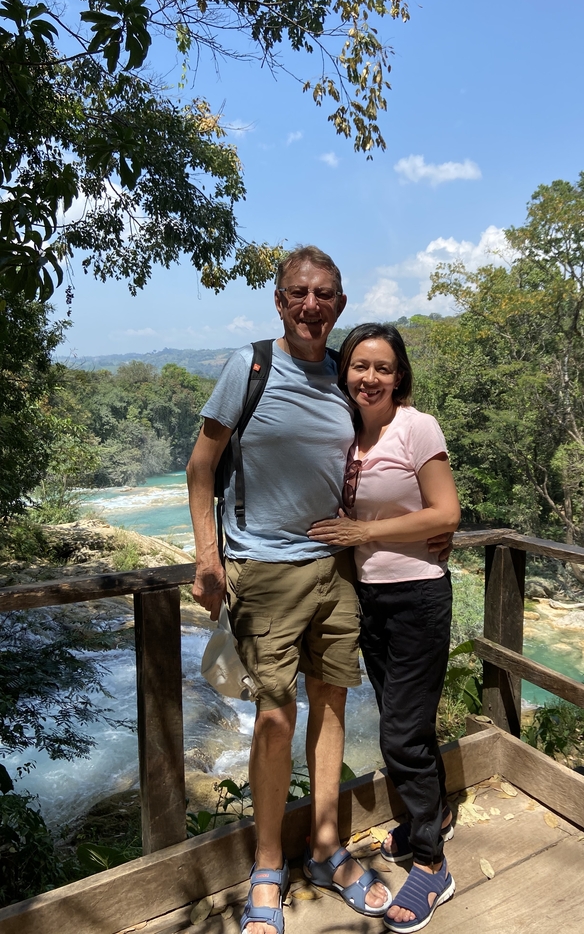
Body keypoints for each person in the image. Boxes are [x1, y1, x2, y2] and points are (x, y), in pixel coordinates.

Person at [186, 248, 393, 934]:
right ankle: (268, 867)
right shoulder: (251, 368)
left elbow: (379, 457)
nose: (312, 305)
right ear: (280, 301)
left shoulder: (345, 376)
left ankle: (329, 846)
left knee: (331, 703)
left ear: (339, 304)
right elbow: (201, 466)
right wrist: (208, 559)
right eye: (299, 293)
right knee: (275, 718)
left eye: (326, 295)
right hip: (264, 571)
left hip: (335, 568)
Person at [308, 322, 461, 933]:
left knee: (401, 732)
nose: (369, 377)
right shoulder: (347, 435)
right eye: (359, 366)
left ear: (400, 377)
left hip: (419, 595)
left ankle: (431, 862)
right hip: (370, 598)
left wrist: (366, 533)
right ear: (345, 373)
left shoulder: (415, 426)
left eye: (382, 367)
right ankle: (431, 816)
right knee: (406, 723)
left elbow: (445, 511)